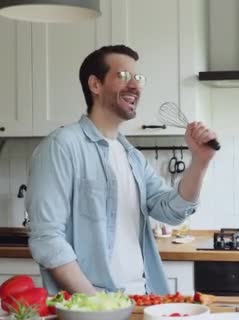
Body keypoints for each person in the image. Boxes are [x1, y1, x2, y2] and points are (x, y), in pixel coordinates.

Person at [25, 45, 217, 296]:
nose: (135, 86)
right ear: (95, 84)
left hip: (142, 298)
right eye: (123, 76)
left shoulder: (132, 156)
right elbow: (47, 239)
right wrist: (97, 305)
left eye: (138, 78)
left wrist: (200, 161)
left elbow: (172, 211)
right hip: (92, 307)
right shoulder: (61, 146)